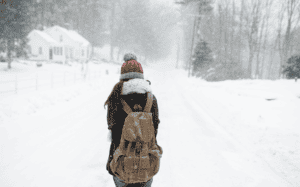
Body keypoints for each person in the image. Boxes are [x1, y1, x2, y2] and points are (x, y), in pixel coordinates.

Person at [104, 53, 161, 187]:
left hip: (121, 163)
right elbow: (155, 129)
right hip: (146, 162)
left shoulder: (115, 97)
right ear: (141, 75)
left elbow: (113, 129)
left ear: (122, 76)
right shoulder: (151, 98)